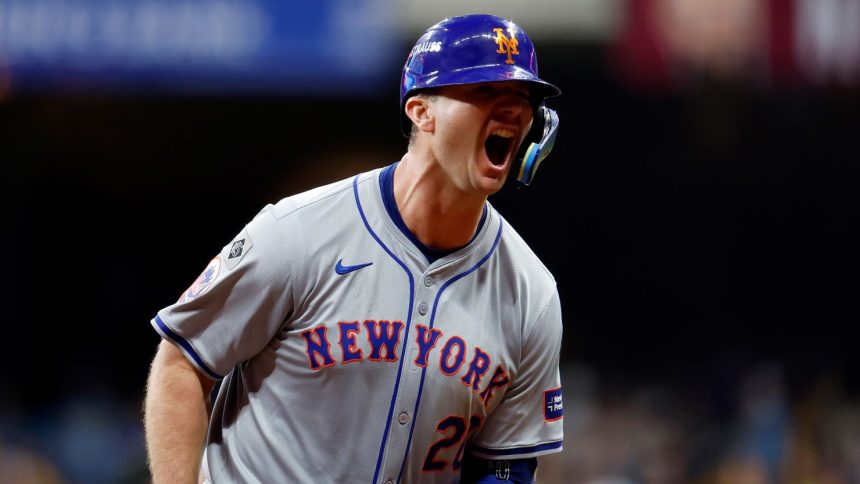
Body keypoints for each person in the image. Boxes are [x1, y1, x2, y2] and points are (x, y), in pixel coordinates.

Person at [144, 13, 564, 484]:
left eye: (522, 97)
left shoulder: (531, 293)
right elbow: (181, 362)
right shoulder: (299, 233)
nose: (511, 109)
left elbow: (504, 466)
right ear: (421, 112)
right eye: (484, 91)